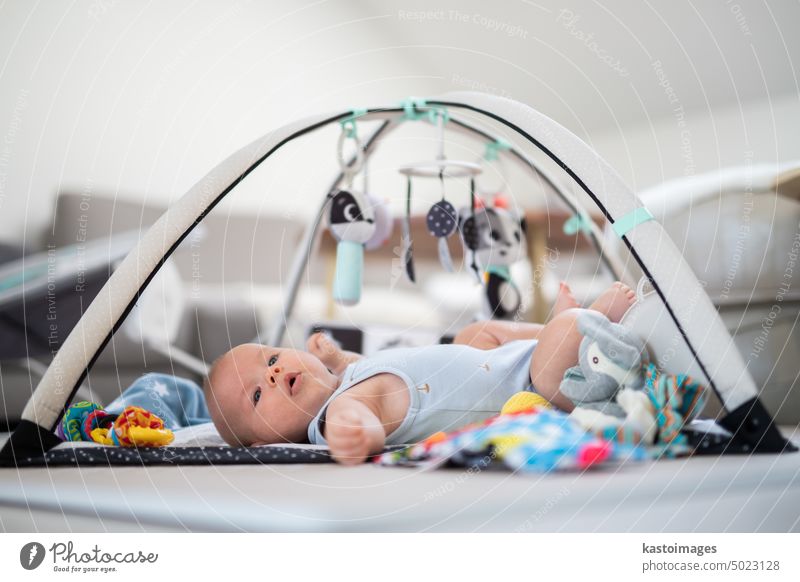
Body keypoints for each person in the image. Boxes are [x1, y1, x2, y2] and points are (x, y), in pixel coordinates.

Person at [204, 282, 636, 465]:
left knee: (475, 331)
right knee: (558, 344)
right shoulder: (337, 415)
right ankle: (588, 323)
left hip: (502, 359)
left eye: (272, 358)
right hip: (527, 387)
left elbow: (360, 369)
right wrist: (353, 435)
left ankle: (549, 333)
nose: (275, 375)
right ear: (263, 444)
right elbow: (358, 420)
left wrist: (334, 358)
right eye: (258, 395)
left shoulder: (344, 383)